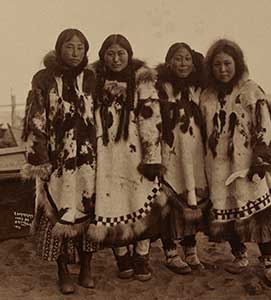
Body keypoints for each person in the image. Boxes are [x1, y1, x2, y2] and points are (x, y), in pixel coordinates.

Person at [200, 38, 271, 288]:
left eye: (228, 63)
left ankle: (270, 265)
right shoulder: (207, 95)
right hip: (217, 166)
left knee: (260, 214)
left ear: (237, 64)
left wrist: (260, 162)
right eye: (217, 65)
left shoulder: (251, 90)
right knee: (227, 213)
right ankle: (239, 257)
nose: (223, 69)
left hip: (246, 166)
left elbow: (264, 127)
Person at [21, 28, 97, 294]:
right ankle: (62, 269)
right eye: (69, 47)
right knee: (57, 212)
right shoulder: (43, 79)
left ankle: (87, 266)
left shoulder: (91, 78)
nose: (75, 53)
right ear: (59, 48)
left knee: (89, 211)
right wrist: (41, 161)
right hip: (57, 158)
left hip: (89, 159)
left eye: (80, 48)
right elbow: (35, 120)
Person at [88, 34, 167, 281]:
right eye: (110, 54)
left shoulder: (142, 81)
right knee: (112, 203)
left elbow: (151, 119)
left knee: (140, 200)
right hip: (105, 153)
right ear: (102, 56)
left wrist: (152, 158)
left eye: (121, 53)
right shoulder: (93, 81)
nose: (116, 59)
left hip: (135, 152)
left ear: (129, 55)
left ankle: (141, 256)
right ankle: (121, 256)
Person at [156, 42, 209, 274]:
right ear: (169, 62)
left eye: (187, 58)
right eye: (178, 58)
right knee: (168, 203)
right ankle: (169, 252)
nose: (183, 63)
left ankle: (191, 250)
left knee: (191, 199)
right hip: (170, 151)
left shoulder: (198, 88)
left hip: (195, 153)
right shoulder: (161, 87)